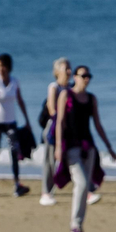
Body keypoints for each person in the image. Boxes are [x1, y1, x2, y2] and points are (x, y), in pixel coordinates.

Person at [54, 65, 116, 232]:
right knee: (82, 184)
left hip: (88, 148)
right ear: (75, 76)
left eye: (89, 76)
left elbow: (98, 124)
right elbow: (60, 121)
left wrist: (109, 147)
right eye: (83, 75)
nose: (86, 79)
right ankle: (74, 225)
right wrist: (59, 146)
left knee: (84, 188)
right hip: (71, 148)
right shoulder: (65, 95)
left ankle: (78, 226)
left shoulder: (91, 99)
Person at [0, 53, 32, 197]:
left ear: (8, 67)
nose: (0, 68)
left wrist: (27, 120)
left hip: (11, 121)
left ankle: (17, 184)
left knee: (14, 151)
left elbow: (20, 101)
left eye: (2, 65)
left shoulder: (15, 81)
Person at [39, 58, 73, 206]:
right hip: (53, 129)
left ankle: (86, 190)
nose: (69, 72)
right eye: (66, 69)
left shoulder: (71, 88)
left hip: (68, 129)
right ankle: (46, 192)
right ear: (57, 71)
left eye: (69, 68)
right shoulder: (54, 87)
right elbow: (52, 109)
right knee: (50, 161)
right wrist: (61, 122)